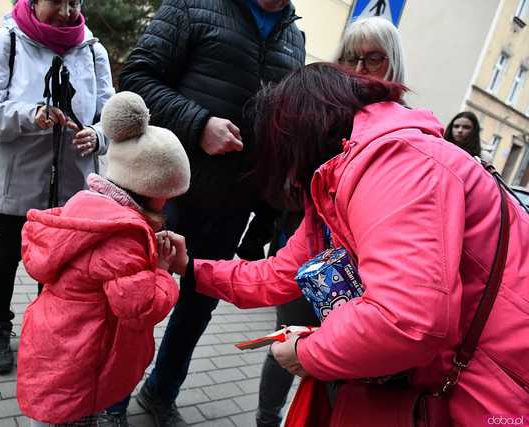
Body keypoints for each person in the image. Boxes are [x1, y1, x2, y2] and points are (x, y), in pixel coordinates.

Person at [160, 63, 529, 426]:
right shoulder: (339, 178)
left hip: (501, 384)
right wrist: (190, 266)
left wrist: (307, 353)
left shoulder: (394, 161)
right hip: (465, 371)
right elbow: (280, 273)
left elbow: (406, 319)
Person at [118, 1, 306, 425]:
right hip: (162, 193)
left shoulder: (294, 38)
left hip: (231, 205)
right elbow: (136, 79)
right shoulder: (192, 5)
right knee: (137, 299)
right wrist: (198, 124)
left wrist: (265, 210)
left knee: (198, 307)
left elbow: (277, 134)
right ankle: (111, 400)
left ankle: (161, 391)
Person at [253, 16, 409, 427]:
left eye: (372, 59)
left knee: (345, 363)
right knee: (286, 337)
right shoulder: (321, 112)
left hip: (363, 276)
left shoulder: (402, 132)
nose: (358, 71)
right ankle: (267, 418)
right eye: (349, 59)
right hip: (310, 251)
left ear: (392, 63)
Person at [16, 92, 189, 427]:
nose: (169, 202)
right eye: (169, 193)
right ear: (151, 188)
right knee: (73, 417)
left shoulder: (85, 210)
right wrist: (164, 272)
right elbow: (139, 308)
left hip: (55, 340)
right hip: (83, 354)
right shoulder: (123, 239)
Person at [0, 0, 114, 374]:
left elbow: (111, 116)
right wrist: (30, 115)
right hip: (21, 181)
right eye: (58, 2)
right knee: (7, 254)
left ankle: (49, 334)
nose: (67, 11)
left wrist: (97, 136)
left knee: (63, 268)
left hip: (74, 188)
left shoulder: (93, 51)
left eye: (75, 2)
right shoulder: (7, 41)